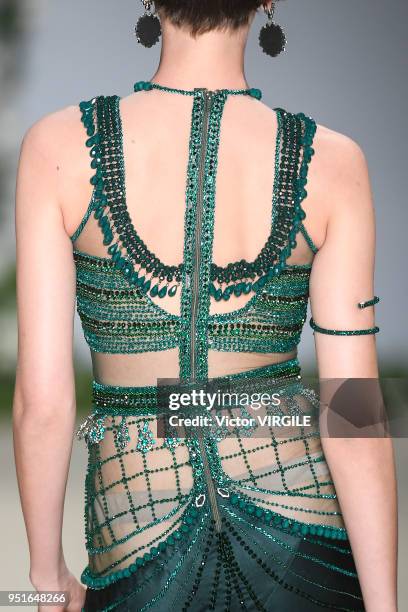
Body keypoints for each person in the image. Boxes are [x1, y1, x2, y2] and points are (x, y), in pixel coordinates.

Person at [13, 1, 398, 611]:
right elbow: (352, 406)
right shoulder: (332, 162)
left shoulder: (57, 150)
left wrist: (43, 575)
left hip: (136, 533)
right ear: (267, 0)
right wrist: (384, 605)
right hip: (302, 534)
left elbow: (43, 401)